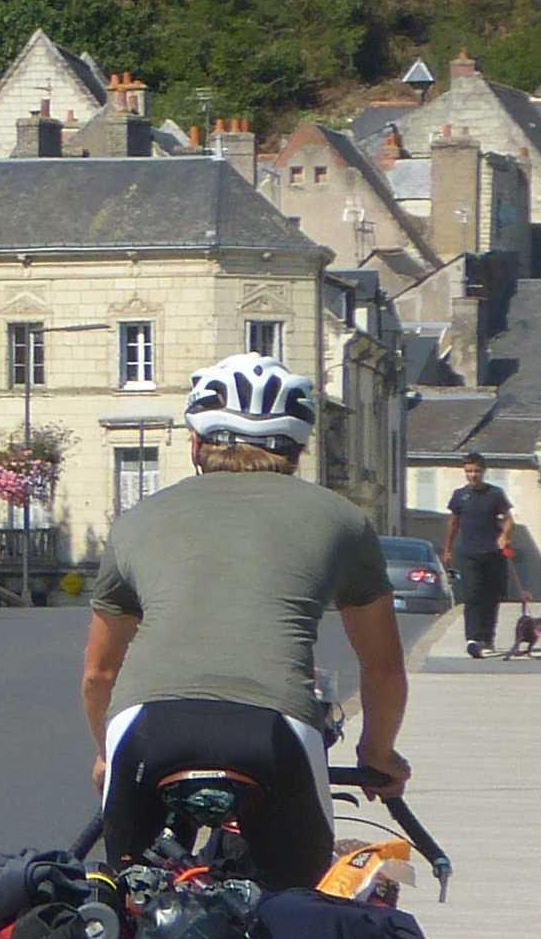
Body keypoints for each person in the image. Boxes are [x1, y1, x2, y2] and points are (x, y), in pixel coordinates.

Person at [80, 354, 408, 890]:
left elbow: (100, 673)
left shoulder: (136, 521)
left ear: (195, 444)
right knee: (297, 907)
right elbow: (383, 666)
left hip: (145, 730)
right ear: (298, 451)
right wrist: (378, 752)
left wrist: (105, 756)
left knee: (129, 902)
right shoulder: (344, 522)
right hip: (274, 728)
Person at [441, 453, 515, 659]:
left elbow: (509, 520)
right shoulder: (460, 495)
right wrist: (448, 548)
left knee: (490, 597)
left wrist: (505, 536)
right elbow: (453, 523)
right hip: (469, 553)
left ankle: (488, 637)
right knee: (472, 595)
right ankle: (473, 639)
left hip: (493, 554)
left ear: (483, 471)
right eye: (469, 472)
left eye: (476, 471)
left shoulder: (496, 494)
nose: (472, 475)